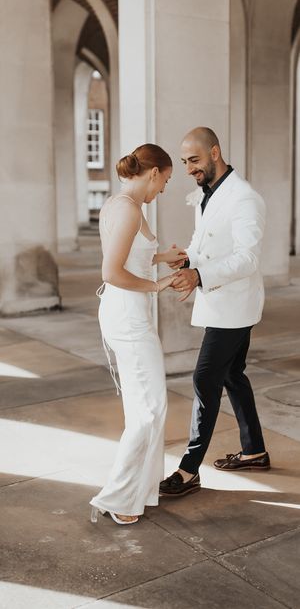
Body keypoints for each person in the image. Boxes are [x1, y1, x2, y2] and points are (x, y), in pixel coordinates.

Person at [159, 127, 270, 498]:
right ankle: (254, 450)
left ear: (215, 153)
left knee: (205, 379)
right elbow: (206, 240)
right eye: (184, 162)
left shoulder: (244, 199)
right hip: (222, 302)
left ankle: (189, 470)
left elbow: (247, 258)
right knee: (233, 375)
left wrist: (199, 274)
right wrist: (188, 257)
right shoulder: (208, 193)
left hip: (235, 305)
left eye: (194, 160)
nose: (189, 168)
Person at [90, 143, 187, 524]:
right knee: (147, 411)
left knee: (151, 406)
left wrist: (162, 257)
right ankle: (117, 497)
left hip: (125, 314)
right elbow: (111, 271)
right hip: (129, 318)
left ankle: (140, 492)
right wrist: (158, 285)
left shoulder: (120, 203)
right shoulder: (130, 211)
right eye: (164, 181)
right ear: (153, 173)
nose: (163, 189)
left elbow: (130, 255)